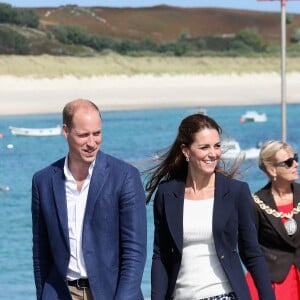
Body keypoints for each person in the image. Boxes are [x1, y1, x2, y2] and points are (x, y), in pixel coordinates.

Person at [144, 113, 275, 300]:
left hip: (225, 295)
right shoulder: (167, 194)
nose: (212, 154)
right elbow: (160, 255)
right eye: (204, 147)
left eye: (217, 146)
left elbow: (252, 253)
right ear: (186, 151)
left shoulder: (236, 192)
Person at [31, 99, 147, 300]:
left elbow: (134, 252)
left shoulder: (125, 176)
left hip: (111, 294)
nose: (92, 143)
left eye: (97, 133)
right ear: (65, 131)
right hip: (60, 293)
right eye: (83, 135)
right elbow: (41, 252)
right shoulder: (43, 181)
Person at [247, 140, 300, 299]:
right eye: (288, 162)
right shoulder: (255, 203)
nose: (296, 164)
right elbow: (249, 248)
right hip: (274, 282)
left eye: (295, 158)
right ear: (272, 170)